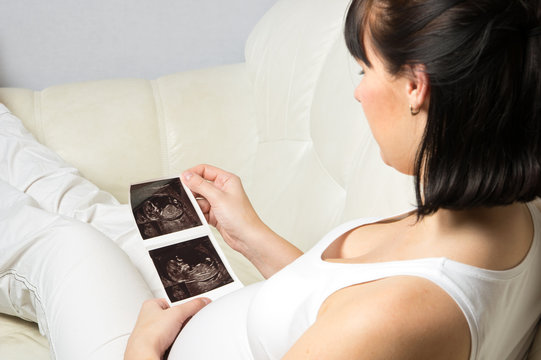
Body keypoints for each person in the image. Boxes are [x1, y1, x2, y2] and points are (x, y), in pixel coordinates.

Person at [1, 0, 540, 359]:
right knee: (106, 217)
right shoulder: (507, 209)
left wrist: (141, 350)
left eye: (365, 69)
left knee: (61, 241)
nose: (357, 93)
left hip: (150, 349)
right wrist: (247, 233)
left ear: (416, 87)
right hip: (214, 314)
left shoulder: (393, 318)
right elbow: (332, 304)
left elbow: (365, 322)